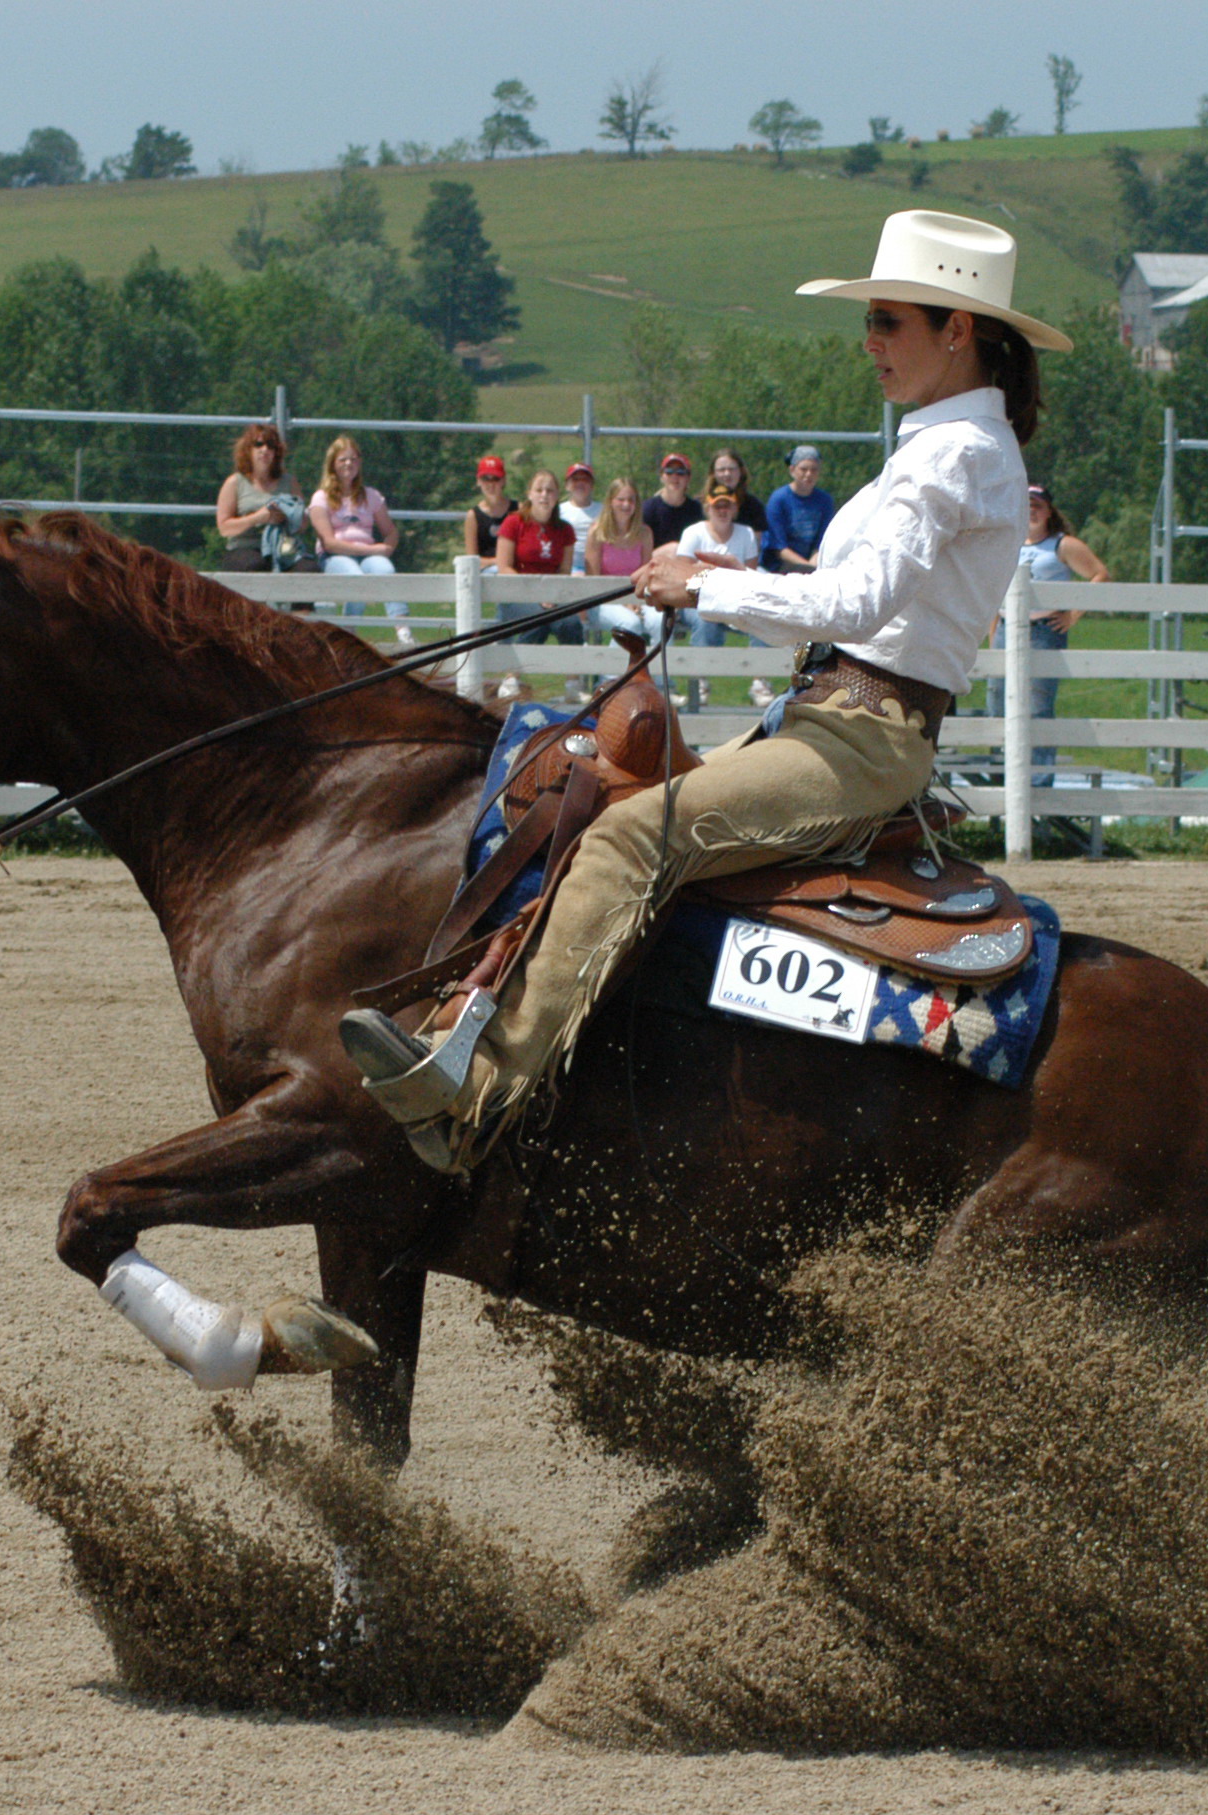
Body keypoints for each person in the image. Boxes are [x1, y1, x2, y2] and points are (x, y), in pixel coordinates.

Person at [342, 209, 1068, 1173]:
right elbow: (835, 609)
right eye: (871, 320)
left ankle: (475, 1093)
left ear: (957, 329)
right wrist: (715, 578)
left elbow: (853, 604)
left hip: (861, 739)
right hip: (834, 719)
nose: (869, 341)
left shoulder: (955, 453)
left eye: (887, 320)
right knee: (615, 805)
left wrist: (704, 586)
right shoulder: (946, 446)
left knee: (631, 836)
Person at [987, 483, 1112, 771]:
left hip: (1043, 631)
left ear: (1049, 512)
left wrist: (1072, 614)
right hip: (1006, 627)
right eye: (1026, 505)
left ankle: (1039, 779)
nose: (1031, 511)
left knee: (1038, 706)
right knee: (997, 700)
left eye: (1037, 506)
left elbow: (1100, 575)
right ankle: (1000, 774)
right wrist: (993, 636)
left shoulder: (1062, 544)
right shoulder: (1007, 543)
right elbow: (995, 592)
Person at [308, 435, 411, 645]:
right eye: (343, 459)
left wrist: (387, 548)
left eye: (353, 459)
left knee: (386, 570)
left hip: (368, 554)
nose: (349, 464)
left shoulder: (371, 496)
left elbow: (391, 531)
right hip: (334, 556)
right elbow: (329, 543)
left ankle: (403, 629)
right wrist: (371, 550)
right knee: (355, 577)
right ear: (333, 464)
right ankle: (348, 634)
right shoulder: (321, 498)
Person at [495, 467, 582, 662]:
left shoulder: (565, 530)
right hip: (517, 593)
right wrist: (535, 594)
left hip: (552, 595)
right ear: (530, 494)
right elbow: (504, 567)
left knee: (570, 623)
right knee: (538, 620)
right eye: (539, 490)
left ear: (557, 496)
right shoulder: (513, 522)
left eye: (550, 490)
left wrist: (551, 594)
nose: (544, 495)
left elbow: (564, 570)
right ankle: (512, 675)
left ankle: (574, 678)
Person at [676, 480, 760, 650]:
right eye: (717, 506)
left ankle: (762, 667)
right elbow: (681, 575)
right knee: (705, 620)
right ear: (708, 509)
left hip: (736, 598)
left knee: (763, 617)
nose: (723, 511)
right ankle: (701, 667)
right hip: (697, 600)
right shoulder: (693, 533)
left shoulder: (747, 534)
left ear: (735, 509)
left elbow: (751, 575)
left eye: (727, 506)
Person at [213, 423, 303, 574]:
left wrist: (288, 517)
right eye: (258, 444)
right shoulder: (235, 482)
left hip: (282, 547)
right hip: (244, 548)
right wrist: (258, 518)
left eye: (271, 445)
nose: (265, 450)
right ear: (248, 449)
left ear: (276, 452)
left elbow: (303, 524)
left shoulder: (289, 482)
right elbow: (224, 528)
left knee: (309, 569)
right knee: (256, 566)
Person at [583, 477, 659, 646]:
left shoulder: (645, 533)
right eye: (621, 499)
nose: (626, 504)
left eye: (631, 500)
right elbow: (593, 581)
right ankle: (613, 665)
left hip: (637, 597)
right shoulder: (597, 532)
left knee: (661, 621)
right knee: (630, 623)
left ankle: (658, 664)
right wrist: (623, 603)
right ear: (610, 501)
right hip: (603, 600)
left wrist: (634, 601)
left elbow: (646, 576)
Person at [761, 444, 836, 575]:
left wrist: (812, 565)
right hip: (779, 566)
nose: (809, 474)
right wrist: (807, 568)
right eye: (803, 469)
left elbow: (822, 542)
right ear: (792, 470)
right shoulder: (779, 499)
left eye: (814, 470)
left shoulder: (825, 500)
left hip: (812, 564)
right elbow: (779, 548)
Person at [640, 453, 703, 550]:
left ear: (688, 477)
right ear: (662, 476)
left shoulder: (697, 510)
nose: (675, 476)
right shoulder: (647, 509)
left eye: (680, 472)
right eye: (669, 471)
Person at [462, 455, 515, 563]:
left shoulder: (518, 510)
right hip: (485, 571)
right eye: (485, 479)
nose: (490, 484)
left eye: (496, 479)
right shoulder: (473, 516)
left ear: (503, 481)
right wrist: (498, 562)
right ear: (478, 481)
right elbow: (472, 559)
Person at [710, 449, 771, 541]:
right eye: (721, 470)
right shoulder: (702, 503)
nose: (727, 474)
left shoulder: (754, 506)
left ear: (741, 471)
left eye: (732, 469)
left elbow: (756, 544)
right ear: (713, 473)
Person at [557, 463, 600, 571]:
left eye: (585, 479)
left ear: (592, 485)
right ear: (567, 485)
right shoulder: (558, 510)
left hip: (596, 567)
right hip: (567, 567)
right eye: (575, 479)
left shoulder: (603, 511)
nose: (580, 483)